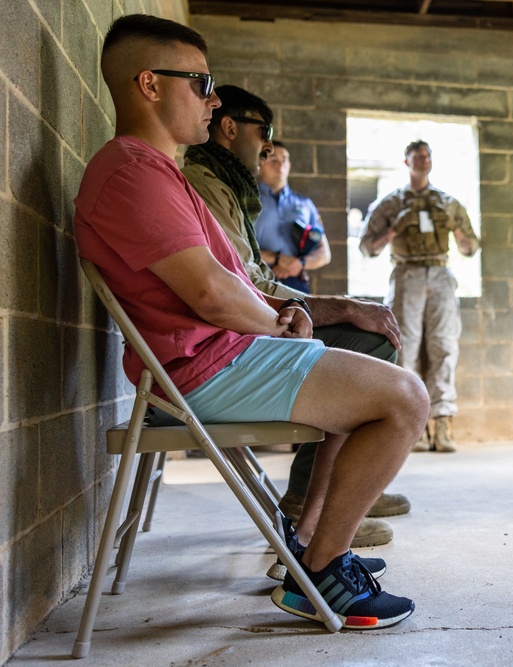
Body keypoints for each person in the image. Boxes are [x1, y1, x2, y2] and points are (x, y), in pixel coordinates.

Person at [76, 13, 428, 628]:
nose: (213, 101)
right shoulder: (132, 172)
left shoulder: (159, 172)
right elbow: (213, 294)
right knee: (406, 400)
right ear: (150, 84)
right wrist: (276, 321)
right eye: (201, 82)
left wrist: (283, 313)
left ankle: (313, 549)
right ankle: (322, 570)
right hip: (201, 368)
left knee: (366, 373)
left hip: (214, 355)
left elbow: (231, 281)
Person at [181, 85, 410, 550]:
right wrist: (333, 307)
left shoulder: (233, 185)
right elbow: (238, 284)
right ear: (230, 127)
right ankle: (315, 507)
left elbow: (256, 275)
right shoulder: (205, 184)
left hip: (252, 321)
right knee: (377, 353)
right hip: (225, 348)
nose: (269, 148)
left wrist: (320, 302)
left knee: (372, 333)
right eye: (264, 132)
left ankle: (339, 493)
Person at [360, 140, 480, 452]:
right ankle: (413, 425)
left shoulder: (447, 202)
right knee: (406, 347)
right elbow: (367, 248)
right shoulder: (392, 203)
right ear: (407, 162)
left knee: (444, 346)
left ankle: (442, 425)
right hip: (407, 273)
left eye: (428, 156)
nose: (424, 161)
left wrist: (456, 230)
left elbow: (471, 248)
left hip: (440, 273)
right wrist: (394, 231)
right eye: (417, 156)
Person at [255, 141, 331, 293]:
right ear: (260, 163)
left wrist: (299, 264)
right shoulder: (247, 201)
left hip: (296, 282)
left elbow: (324, 254)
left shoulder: (305, 204)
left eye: (285, 160)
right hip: (258, 280)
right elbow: (235, 248)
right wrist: (276, 259)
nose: (280, 165)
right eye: (274, 160)